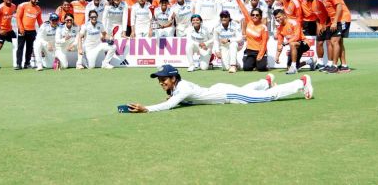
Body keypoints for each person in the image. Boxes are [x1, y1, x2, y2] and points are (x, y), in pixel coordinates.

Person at [126, 64, 314, 113]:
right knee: (249, 91)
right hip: (219, 89)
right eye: (159, 80)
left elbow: (170, 105)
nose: (161, 82)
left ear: (173, 78)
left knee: (264, 98)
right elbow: (176, 98)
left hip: (227, 94)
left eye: (163, 79)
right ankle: (265, 81)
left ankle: (301, 82)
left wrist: (147, 108)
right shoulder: (178, 87)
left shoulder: (181, 88)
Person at [313, 0, 352, 73]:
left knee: (334, 41)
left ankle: (334, 66)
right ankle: (344, 65)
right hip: (335, 20)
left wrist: (334, 22)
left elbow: (338, 6)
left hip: (342, 19)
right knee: (339, 42)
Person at [274, 9, 315, 74]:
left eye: (279, 17)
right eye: (276, 18)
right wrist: (277, 56)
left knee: (292, 44)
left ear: (284, 15)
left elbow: (297, 37)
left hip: (304, 43)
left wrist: (286, 43)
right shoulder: (279, 29)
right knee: (288, 67)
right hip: (293, 47)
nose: (278, 19)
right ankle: (309, 61)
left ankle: (293, 67)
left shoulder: (293, 22)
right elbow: (279, 43)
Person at [301, 0, 331, 71]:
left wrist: (324, 24)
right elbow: (317, 15)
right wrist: (318, 25)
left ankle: (330, 64)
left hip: (329, 22)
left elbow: (329, 12)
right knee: (319, 43)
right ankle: (320, 63)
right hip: (320, 23)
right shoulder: (310, 2)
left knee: (330, 43)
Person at [15, 0, 43, 70]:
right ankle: (18, 64)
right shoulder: (22, 5)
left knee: (30, 48)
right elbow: (18, 18)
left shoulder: (38, 8)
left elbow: (39, 20)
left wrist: (43, 29)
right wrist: (21, 29)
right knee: (20, 47)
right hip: (23, 30)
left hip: (32, 31)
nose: (37, 1)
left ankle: (27, 64)